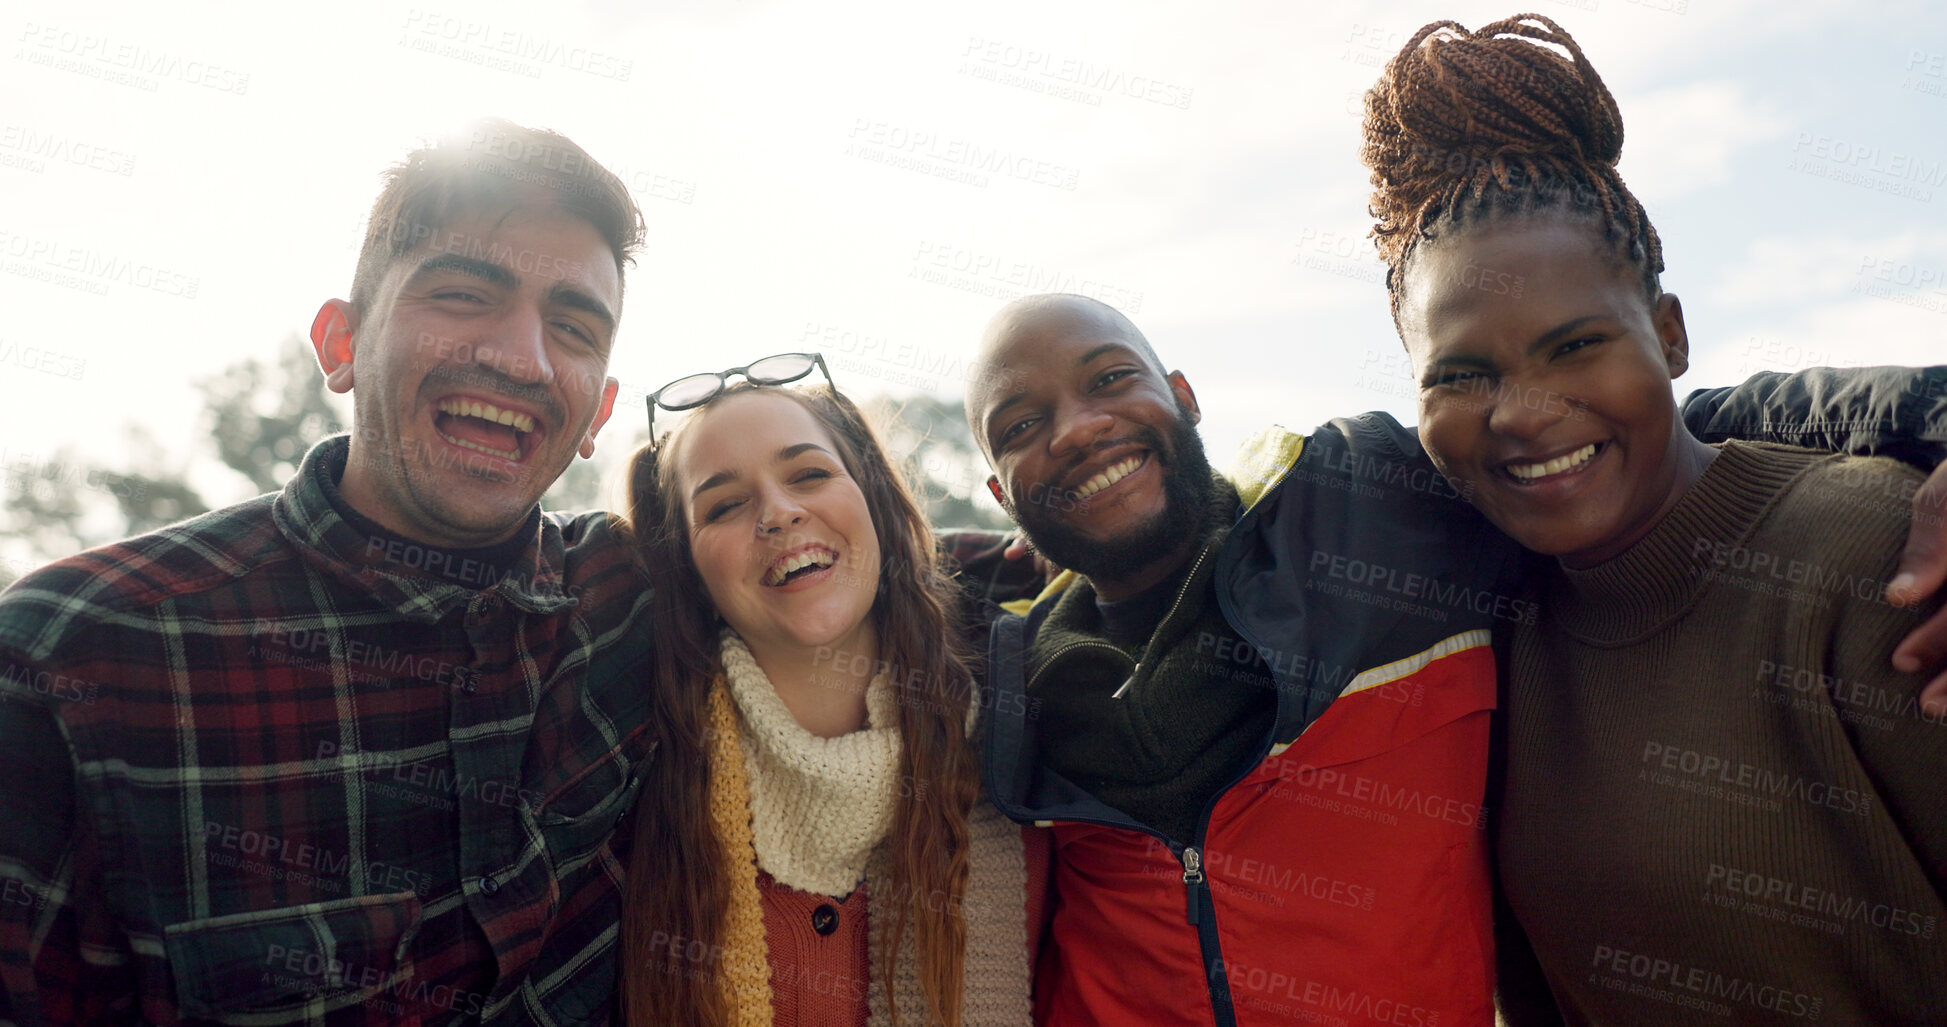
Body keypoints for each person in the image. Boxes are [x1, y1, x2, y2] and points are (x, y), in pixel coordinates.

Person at [963, 291, 1947, 1026]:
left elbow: (1637, 429)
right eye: (1022, 425)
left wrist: (1933, 411)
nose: (1079, 426)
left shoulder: (1372, 513)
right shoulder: (994, 681)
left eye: (1107, 380)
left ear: (1180, 396)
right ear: (1004, 494)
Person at [0, 120, 657, 1024]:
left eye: (574, 326)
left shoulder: (634, 601)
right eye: (464, 293)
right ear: (340, 343)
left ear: (599, 411)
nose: (520, 358)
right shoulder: (76, 654)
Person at [1362, 15, 1947, 1024]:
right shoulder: (1478, 626)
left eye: (1576, 346)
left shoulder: (1886, 563)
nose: (1526, 413)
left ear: (1670, 335)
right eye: (1461, 374)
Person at [615, 358, 1047, 1026]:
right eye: (724, 505)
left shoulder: (1030, 752)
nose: (779, 513)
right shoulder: (627, 797)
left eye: (809, 474)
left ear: (871, 498)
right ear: (688, 569)